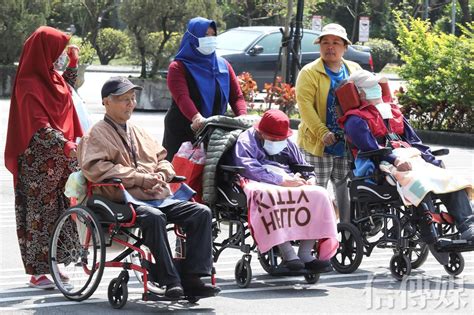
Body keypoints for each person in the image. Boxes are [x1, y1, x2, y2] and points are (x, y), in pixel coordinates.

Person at [77, 76, 220, 299]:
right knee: (154, 217)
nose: (130, 104)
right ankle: (169, 279)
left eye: (132, 99)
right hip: (119, 199)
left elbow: (162, 158)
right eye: (124, 99)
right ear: (106, 102)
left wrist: (163, 173)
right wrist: (139, 178)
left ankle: (193, 277)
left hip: (154, 195)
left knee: (201, 212)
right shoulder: (96, 134)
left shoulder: (138, 131)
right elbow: (97, 169)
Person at [338, 69, 474, 243]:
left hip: (411, 159)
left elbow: (415, 142)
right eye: (371, 86)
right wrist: (395, 159)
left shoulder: (393, 112)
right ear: (359, 93)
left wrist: (432, 161)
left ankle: (468, 226)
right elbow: (369, 148)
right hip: (381, 165)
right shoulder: (355, 120)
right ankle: (428, 230)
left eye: (377, 85)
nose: (378, 89)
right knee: (419, 184)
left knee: (452, 181)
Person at [4, 26, 83, 289]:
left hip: (60, 162)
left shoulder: (52, 78)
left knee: (60, 213)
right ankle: (36, 272)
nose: (59, 56)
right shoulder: (29, 84)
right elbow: (39, 126)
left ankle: (53, 264)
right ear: (44, 51)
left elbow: (66, 89)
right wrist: (67, 145)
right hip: (38, 164)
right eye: (58, 52)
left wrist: (73, 64)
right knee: (38, 216)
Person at [232, 109, 338, 273]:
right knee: (271, 197)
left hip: (288, 179)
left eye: (281, 139)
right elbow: (248, 168)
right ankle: (288, 254)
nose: (278, 142)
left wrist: (310, 178)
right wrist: (281, 181)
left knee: (320, 194)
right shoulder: (246, 140)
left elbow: (302, 164)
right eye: (273, 139)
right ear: (261, 133)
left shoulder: (286, 142)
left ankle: (305, 253)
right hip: (259, 180)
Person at [295, 23, 362, 224]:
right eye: (325, 42)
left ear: (345, 47)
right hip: (318, 144)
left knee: (345, 189)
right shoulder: (309, 72)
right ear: (319, 46)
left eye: (335, 43)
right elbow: (305, 107)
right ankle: (314, 237)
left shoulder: (354, 70)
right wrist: (322, 132)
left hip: (346, 144)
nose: (330, 47)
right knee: (316, 192)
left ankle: (347, 232)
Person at [163, 16, 247, 161]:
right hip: (184, 130)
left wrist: (243, 117)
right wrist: (196, 117)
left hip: (215, 133)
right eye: (205, 35)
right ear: (193, 38)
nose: (210, 38)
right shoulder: (178, 67)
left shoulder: (224, 65)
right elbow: (182, 98)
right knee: (180, 176)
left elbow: (236, 97)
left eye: (213, 35)